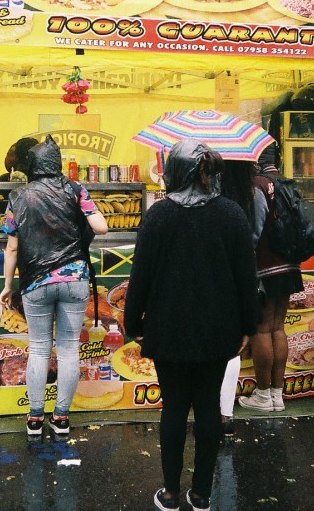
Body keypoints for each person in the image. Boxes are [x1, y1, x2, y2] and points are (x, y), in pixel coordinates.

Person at [124, 139, 259, 511]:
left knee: (174, 408)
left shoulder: (158, 215)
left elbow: (141, 276)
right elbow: (245, 278)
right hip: (218, 329)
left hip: (167, 329)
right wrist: (249, 324)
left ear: (174, 171)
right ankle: (201, 494)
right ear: (204, 172)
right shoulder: (231, 214)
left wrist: (133, 322)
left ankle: (169, 492)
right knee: (208, 408)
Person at [0, 136, 108, 438]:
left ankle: (35, 419)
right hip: (74, 280)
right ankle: (61, 418)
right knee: (69, 349)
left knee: (38, 348)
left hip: (35, 281)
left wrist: (8, 285)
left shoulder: (18, 197)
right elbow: (101, 227)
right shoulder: (75, 189)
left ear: (32, 166)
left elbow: (11, 248)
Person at [238, 144, 304, 413]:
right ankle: (277, 394)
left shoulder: (257, 186)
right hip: (289, 265)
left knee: (261, 329)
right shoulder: (286, 183)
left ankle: (263, 394)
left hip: (265, 267)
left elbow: (254, 232)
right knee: (278, 327)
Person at [217, 159, 267, 435]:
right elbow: (255, 235)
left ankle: (209, 407)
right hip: (243, 272)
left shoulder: (212, 193)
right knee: (232, 343)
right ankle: (226, 414)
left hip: (214, 274)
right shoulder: (254, 194)